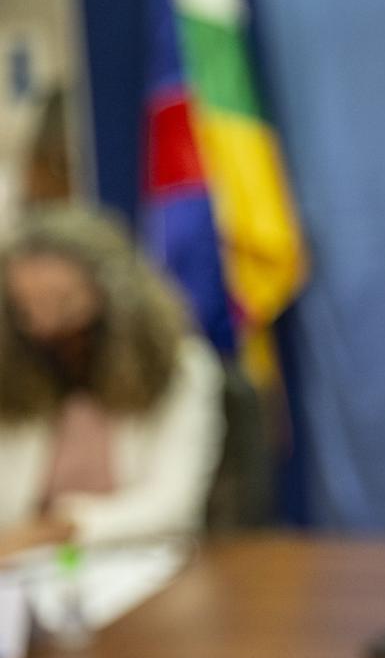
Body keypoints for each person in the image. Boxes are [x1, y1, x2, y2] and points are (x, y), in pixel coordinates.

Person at [0, 206, 225, 557]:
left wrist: (52, 530)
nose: (45, 325)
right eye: (26, 309)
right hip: (25, 570)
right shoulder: (14, 371)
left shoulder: (181, 368)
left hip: (141, 563)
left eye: (63, 303)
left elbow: (171, 507)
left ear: (114, 297)